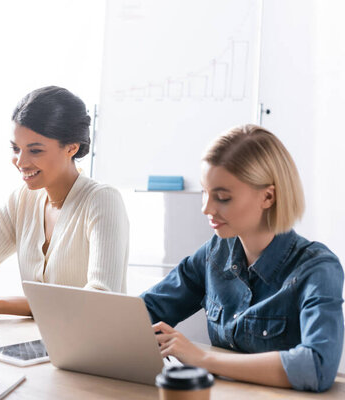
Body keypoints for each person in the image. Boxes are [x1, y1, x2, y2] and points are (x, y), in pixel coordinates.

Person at [141, 125, 343, 392]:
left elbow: (317, 366)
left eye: (222, 197)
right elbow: (144, 311)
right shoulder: (215, 253)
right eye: (205, 192)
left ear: (268, 196)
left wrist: (203, 359)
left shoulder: (317, 269)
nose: (206, 208)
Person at [0, 86, 129, 317]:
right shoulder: (22, 200)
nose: (21, 162)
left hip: (98, 350)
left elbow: (100, 299)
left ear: (71, 148)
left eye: (35, 150)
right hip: (39, 345)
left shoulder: (102, 200)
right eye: (15, 148)